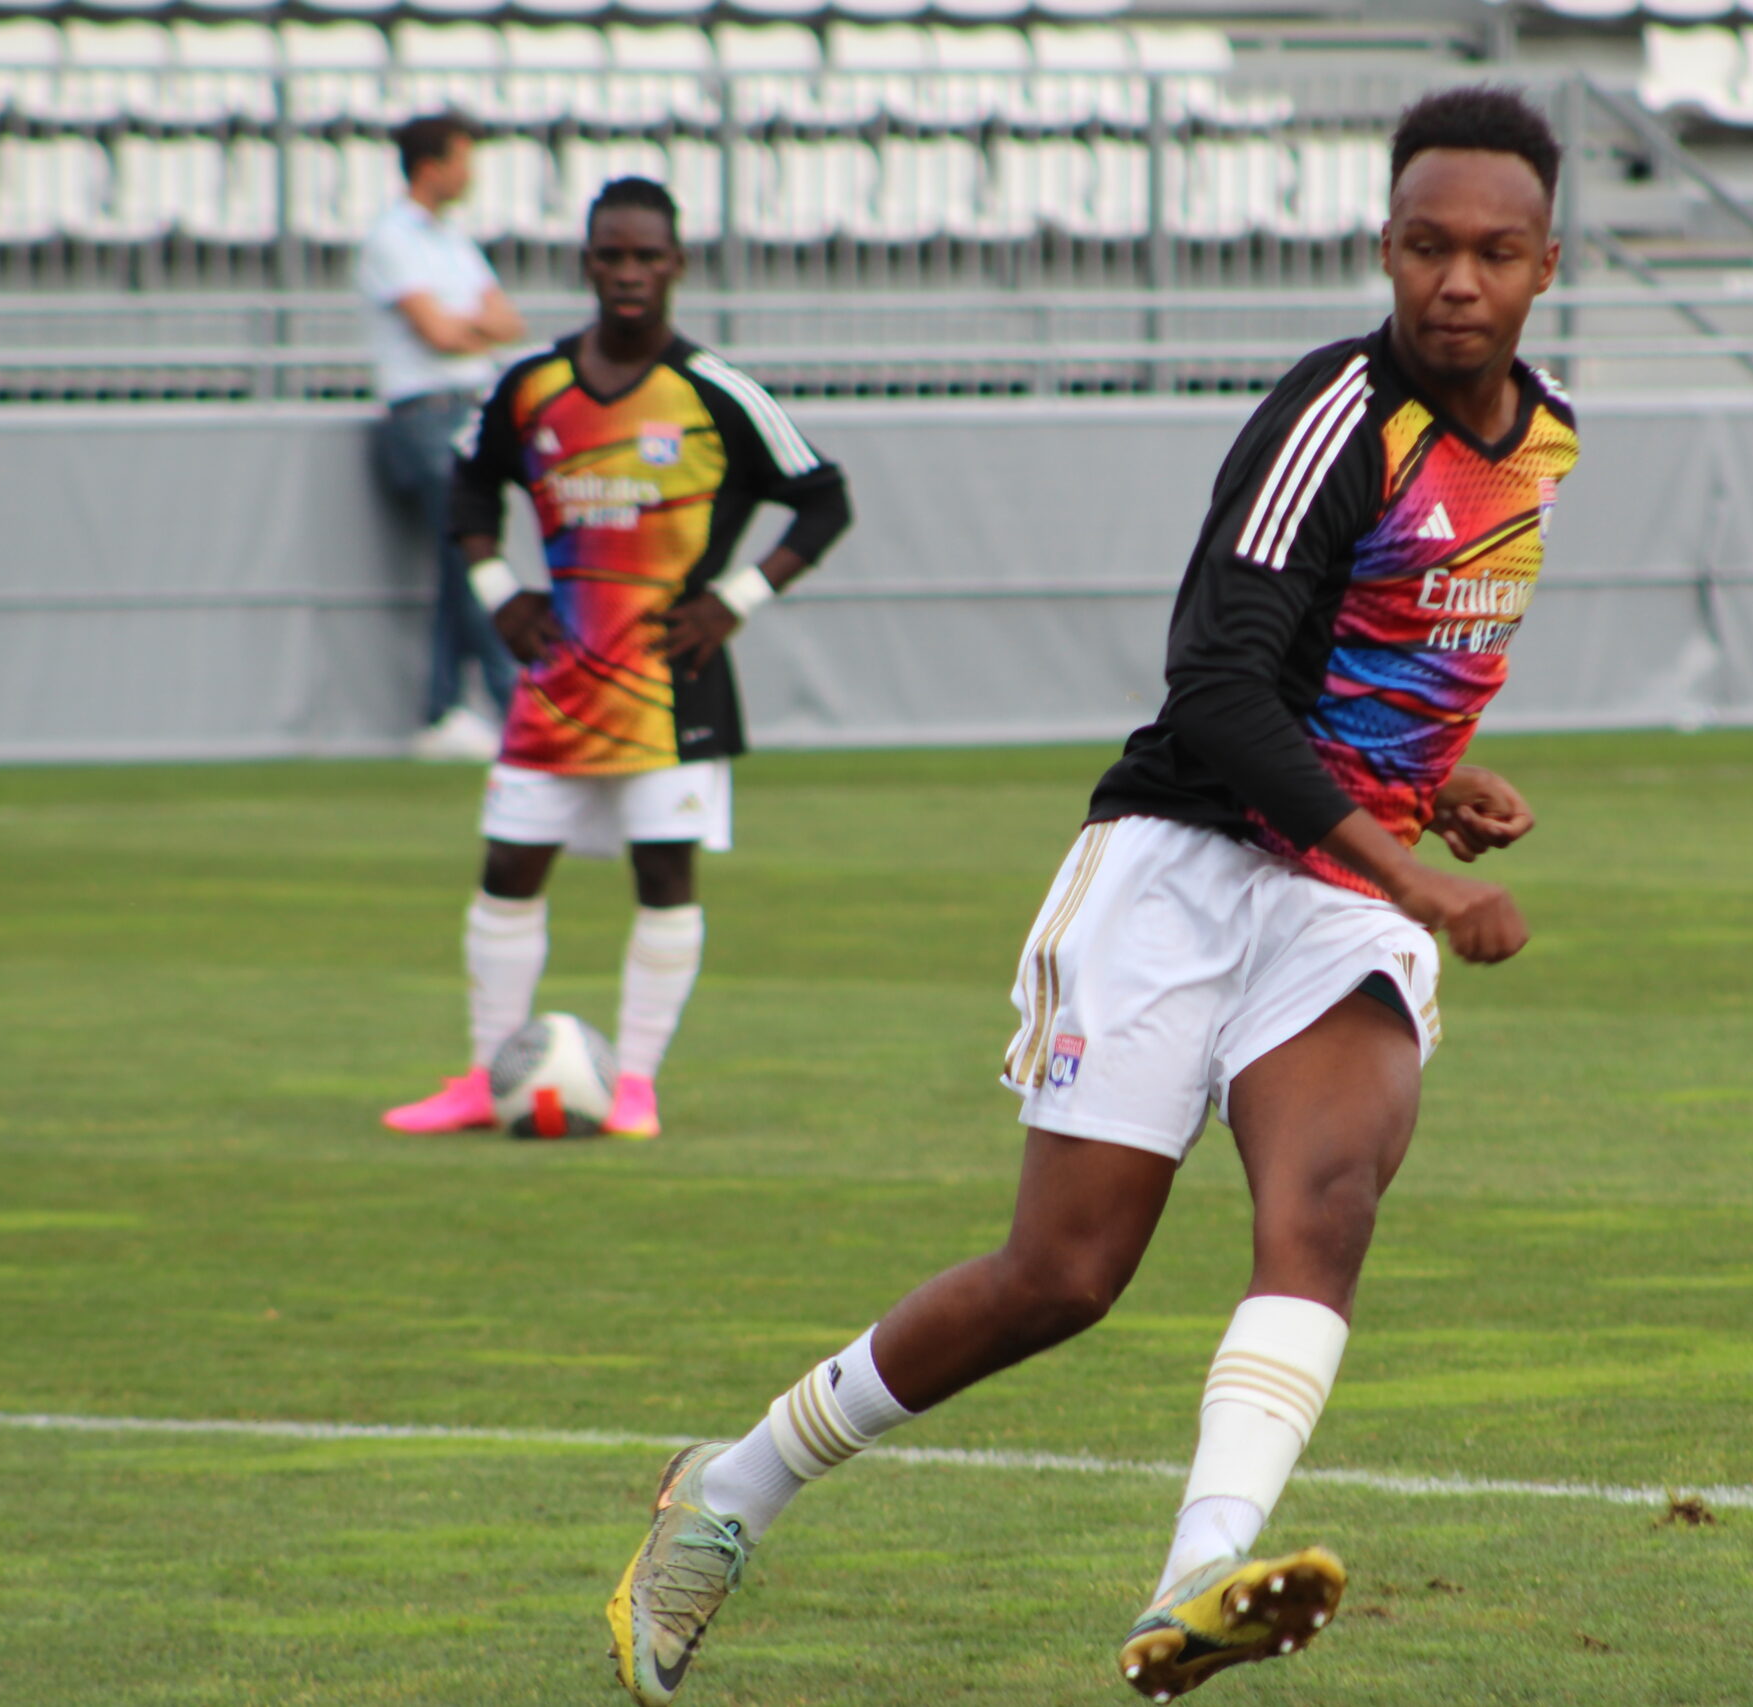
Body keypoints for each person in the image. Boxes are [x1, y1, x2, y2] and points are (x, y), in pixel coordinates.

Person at [605, 86, 1576, 1704]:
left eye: (1491, 251)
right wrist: (1410, 857)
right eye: (1425, 247)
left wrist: (1434, 781)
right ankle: (734, 1486)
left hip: (1333, 896)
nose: (1454, 282)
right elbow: (1215, 693)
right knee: (1062, 1276)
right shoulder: (1334, 420)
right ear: (1383, 248)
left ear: (1547, 263)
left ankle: (1199, 1574)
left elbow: (1388, 645)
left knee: (1326, 1198)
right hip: (1181, 870)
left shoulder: (1543, 437)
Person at [381, 177, 851, 1142]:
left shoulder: (717, 389)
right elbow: (467, 495)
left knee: (664, 878)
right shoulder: (532, 386)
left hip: (671, 688)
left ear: (676, 264)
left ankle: (632, 1084)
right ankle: (485, 1072)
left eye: (648, 256)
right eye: (612, 255)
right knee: (508, 867)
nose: (630, 272)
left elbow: (825, 498)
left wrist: (736, 600)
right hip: (555, 682)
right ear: (586, 263)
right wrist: (498, 594)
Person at [359, 111, 527, 763]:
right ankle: (507, 704)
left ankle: (445, 713)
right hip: (424, 412)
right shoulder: (392, 238)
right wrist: (471, 326)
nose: (471, 173)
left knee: (467, 563)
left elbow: (505, 321)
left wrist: (471, 327)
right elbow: (439, 333)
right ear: (431, 165)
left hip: (472, 410)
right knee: (473, 559)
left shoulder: (452, 240)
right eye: (463, 158)